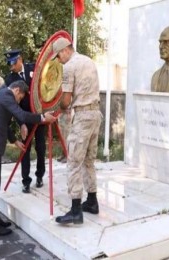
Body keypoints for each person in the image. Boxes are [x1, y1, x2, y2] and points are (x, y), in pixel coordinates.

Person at [0, 80, 56, 237]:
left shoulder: (1, 95)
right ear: (17, 90)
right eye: (20, 98)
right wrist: (42, 118)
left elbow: (4, 122)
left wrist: (14, 140)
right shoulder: (6, 95)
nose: (18, 102)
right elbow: (21, 115)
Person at [51, 37, 102, 225]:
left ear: (65, 50)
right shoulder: (89, 61)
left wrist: (57, 106)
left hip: (82, 116)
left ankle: (75, 210)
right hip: (96, 114)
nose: (59, 60)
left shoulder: (69, 67)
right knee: (89, 161)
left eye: (58, 56)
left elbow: (65, 100)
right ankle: (92, 201)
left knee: (73, 162)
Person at [4, 49, 46, 193]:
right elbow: (13, 105)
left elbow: (44, 87)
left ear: (20, 59)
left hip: (39, 116)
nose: (11, 67)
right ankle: (26, 181)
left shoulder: (34, 69)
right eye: (9, 64)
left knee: (41, 148)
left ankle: (40, 176)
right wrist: (21, 123)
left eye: (13, 63)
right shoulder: (9, 80)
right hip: (24, 117)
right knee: (25, 149)